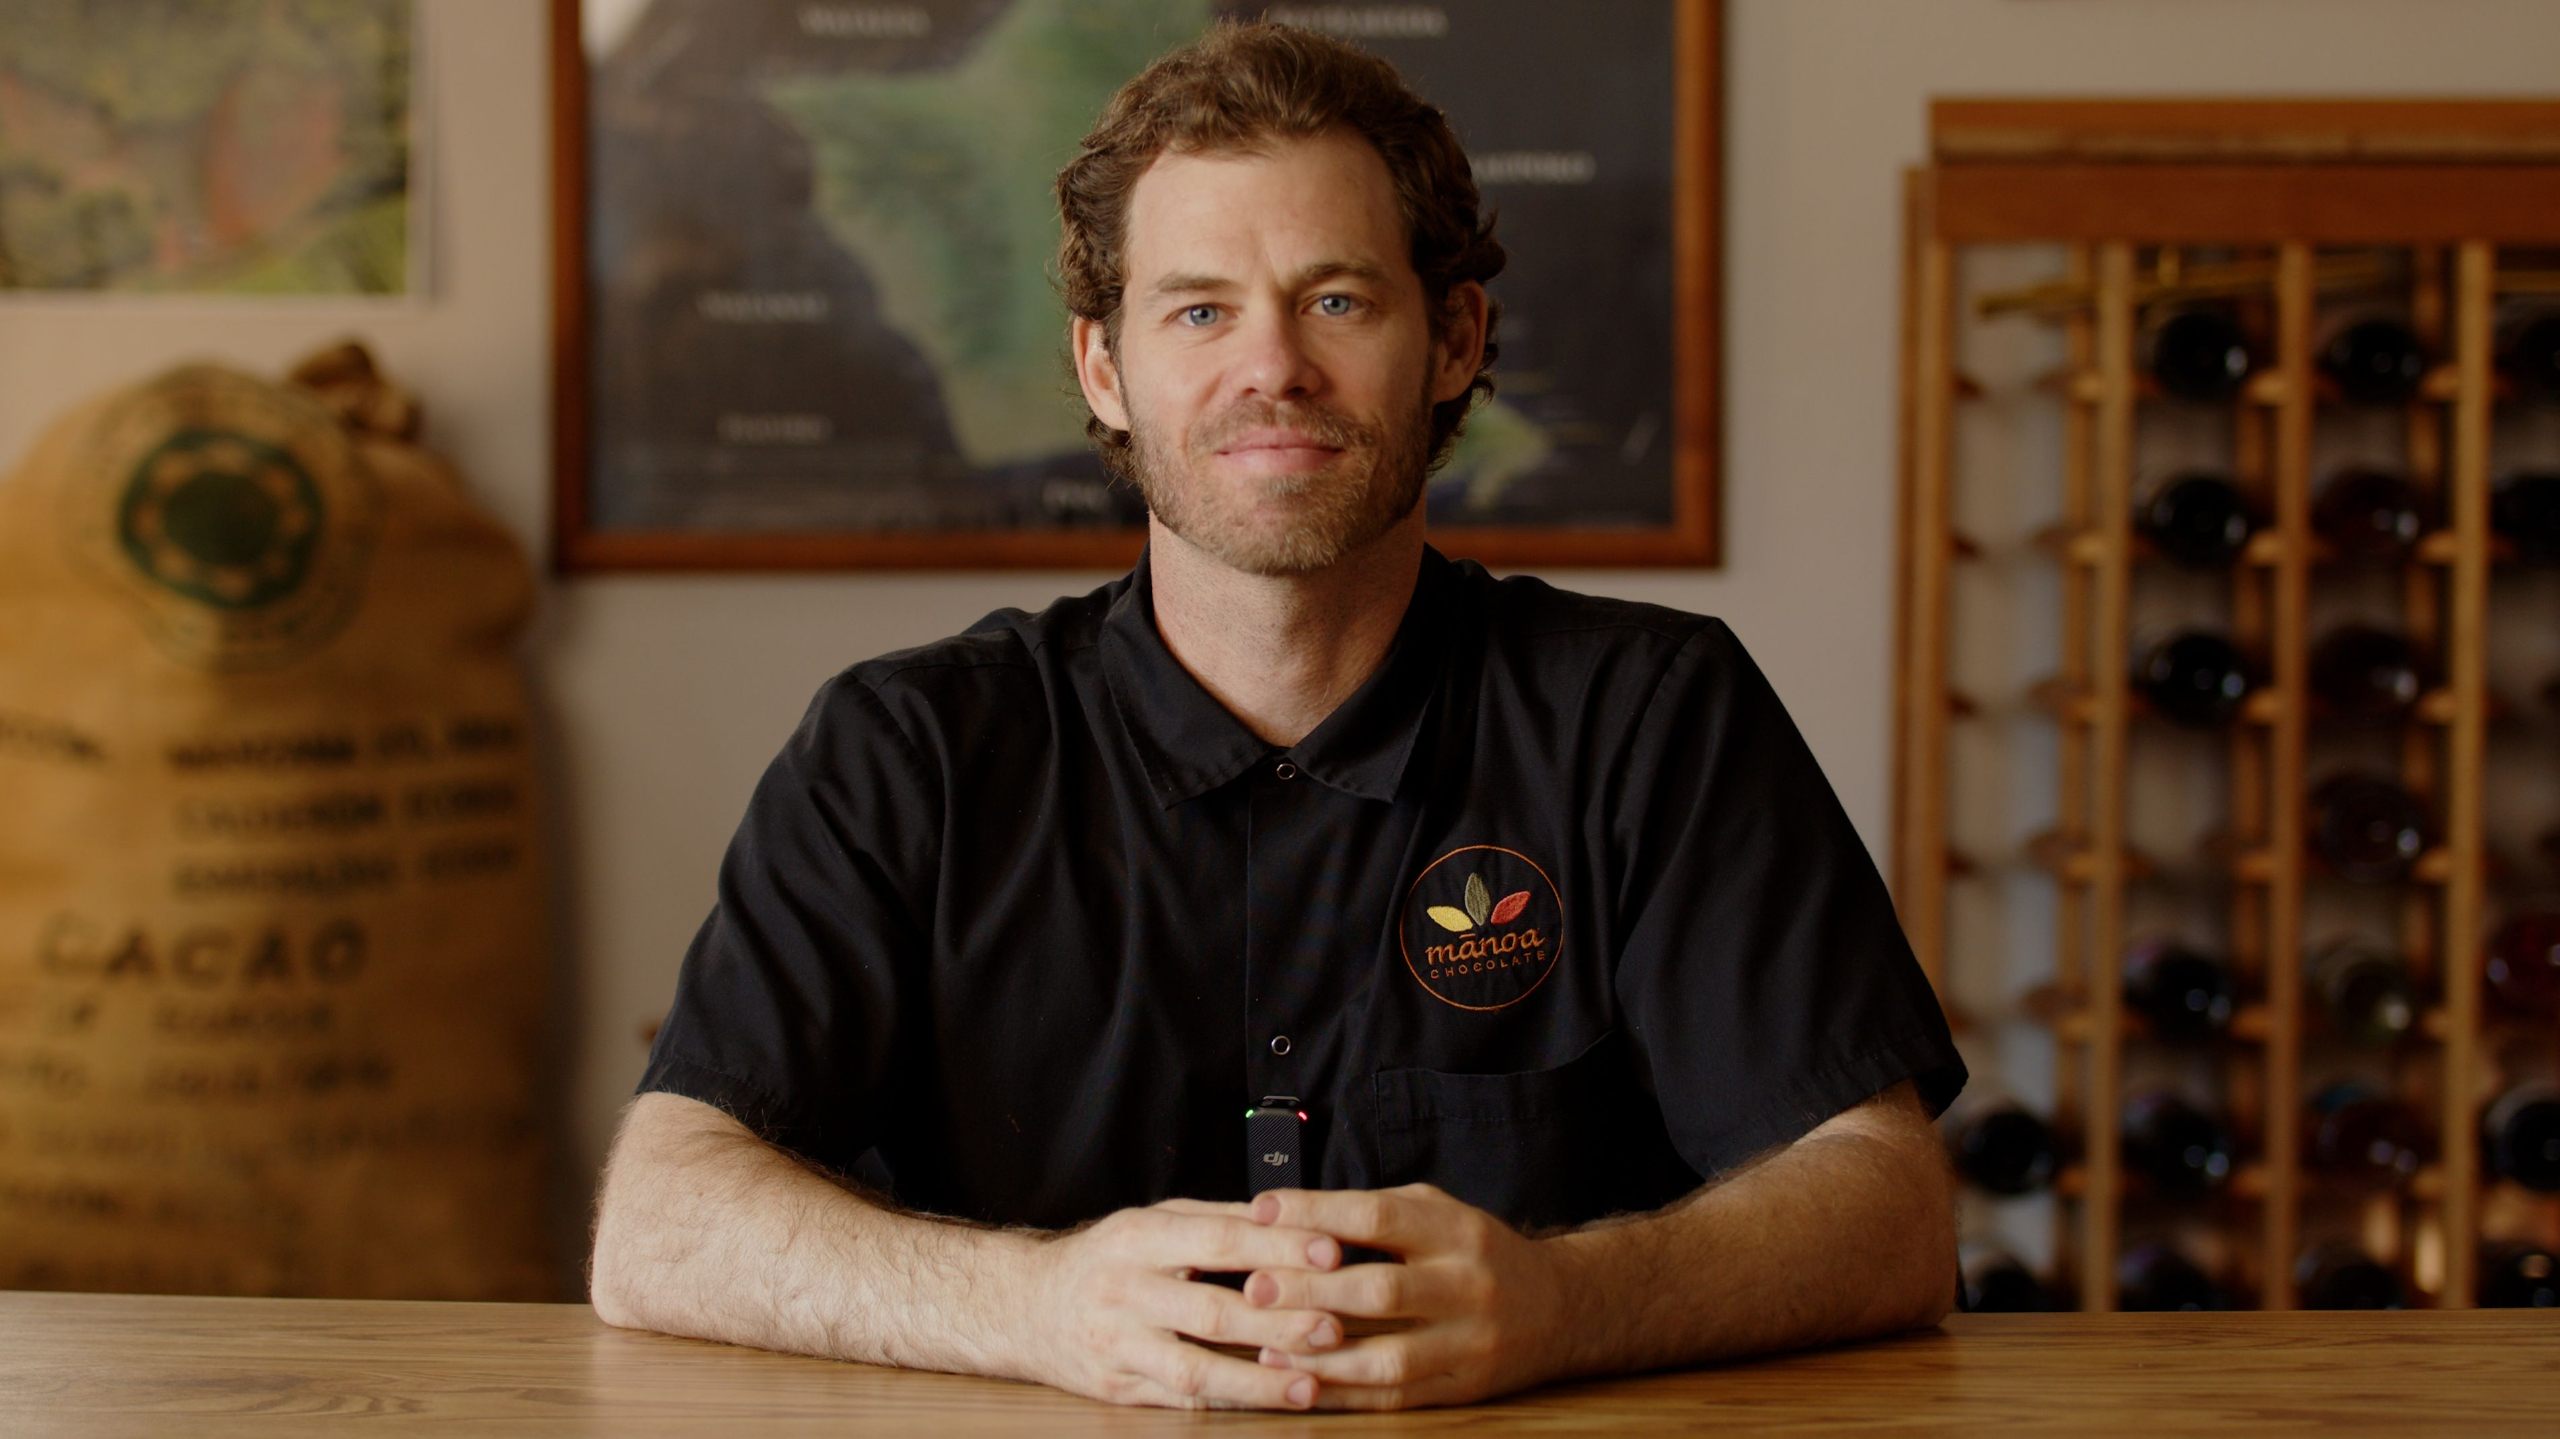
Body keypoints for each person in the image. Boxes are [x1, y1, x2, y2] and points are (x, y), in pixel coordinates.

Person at [590, 21, 1965, 1413]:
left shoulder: (1652, 717)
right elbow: (659, 1224)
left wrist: (1565, 1302)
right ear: (1104, 370)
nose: (1274, 370)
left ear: (1454, 339)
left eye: (1338, 301)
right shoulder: (906, 753)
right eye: (1199, 310)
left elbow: (1890, 1207)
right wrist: (1036, 1307)